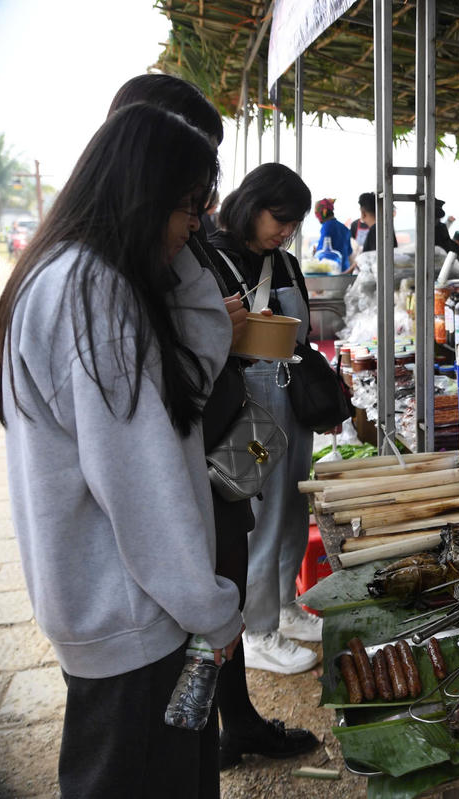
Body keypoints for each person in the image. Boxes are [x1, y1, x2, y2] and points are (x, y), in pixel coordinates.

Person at [0, 103, 242, 797]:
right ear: (144, 193)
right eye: (188, 208)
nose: (194, 227)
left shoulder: (60, 273)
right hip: (137, 623)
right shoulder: (94, 296)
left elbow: (196, 359)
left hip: (109, 614)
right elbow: (141, 486)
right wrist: (210, 607)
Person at [107, 73, 318, 771]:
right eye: (190, 195)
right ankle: (243, 667)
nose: (197, 213)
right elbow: (132, 449)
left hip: (230, 435)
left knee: (268, 527)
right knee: (144, 721)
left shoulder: (192, 248)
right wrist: (216, 330)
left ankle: (238, 718)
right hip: (140, 586)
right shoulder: (104, 281)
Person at [209, 164, 322, 679]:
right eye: (280, 218)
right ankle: (256, 630)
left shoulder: (287, 263)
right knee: (261, 513)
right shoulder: (214, 256)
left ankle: (286, 607)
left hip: (291, 399)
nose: (285, 231)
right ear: (251, 204)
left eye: (294, 223)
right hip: (247, 409)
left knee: (295, 504)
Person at [313, 197, 352, 270]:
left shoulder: (326, 226)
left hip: (332, 271)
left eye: (316, 213)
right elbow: (349, 252)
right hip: (344, 270)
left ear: (322, 213)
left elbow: (322, 253)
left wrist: (316, 252)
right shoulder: (345, 228)